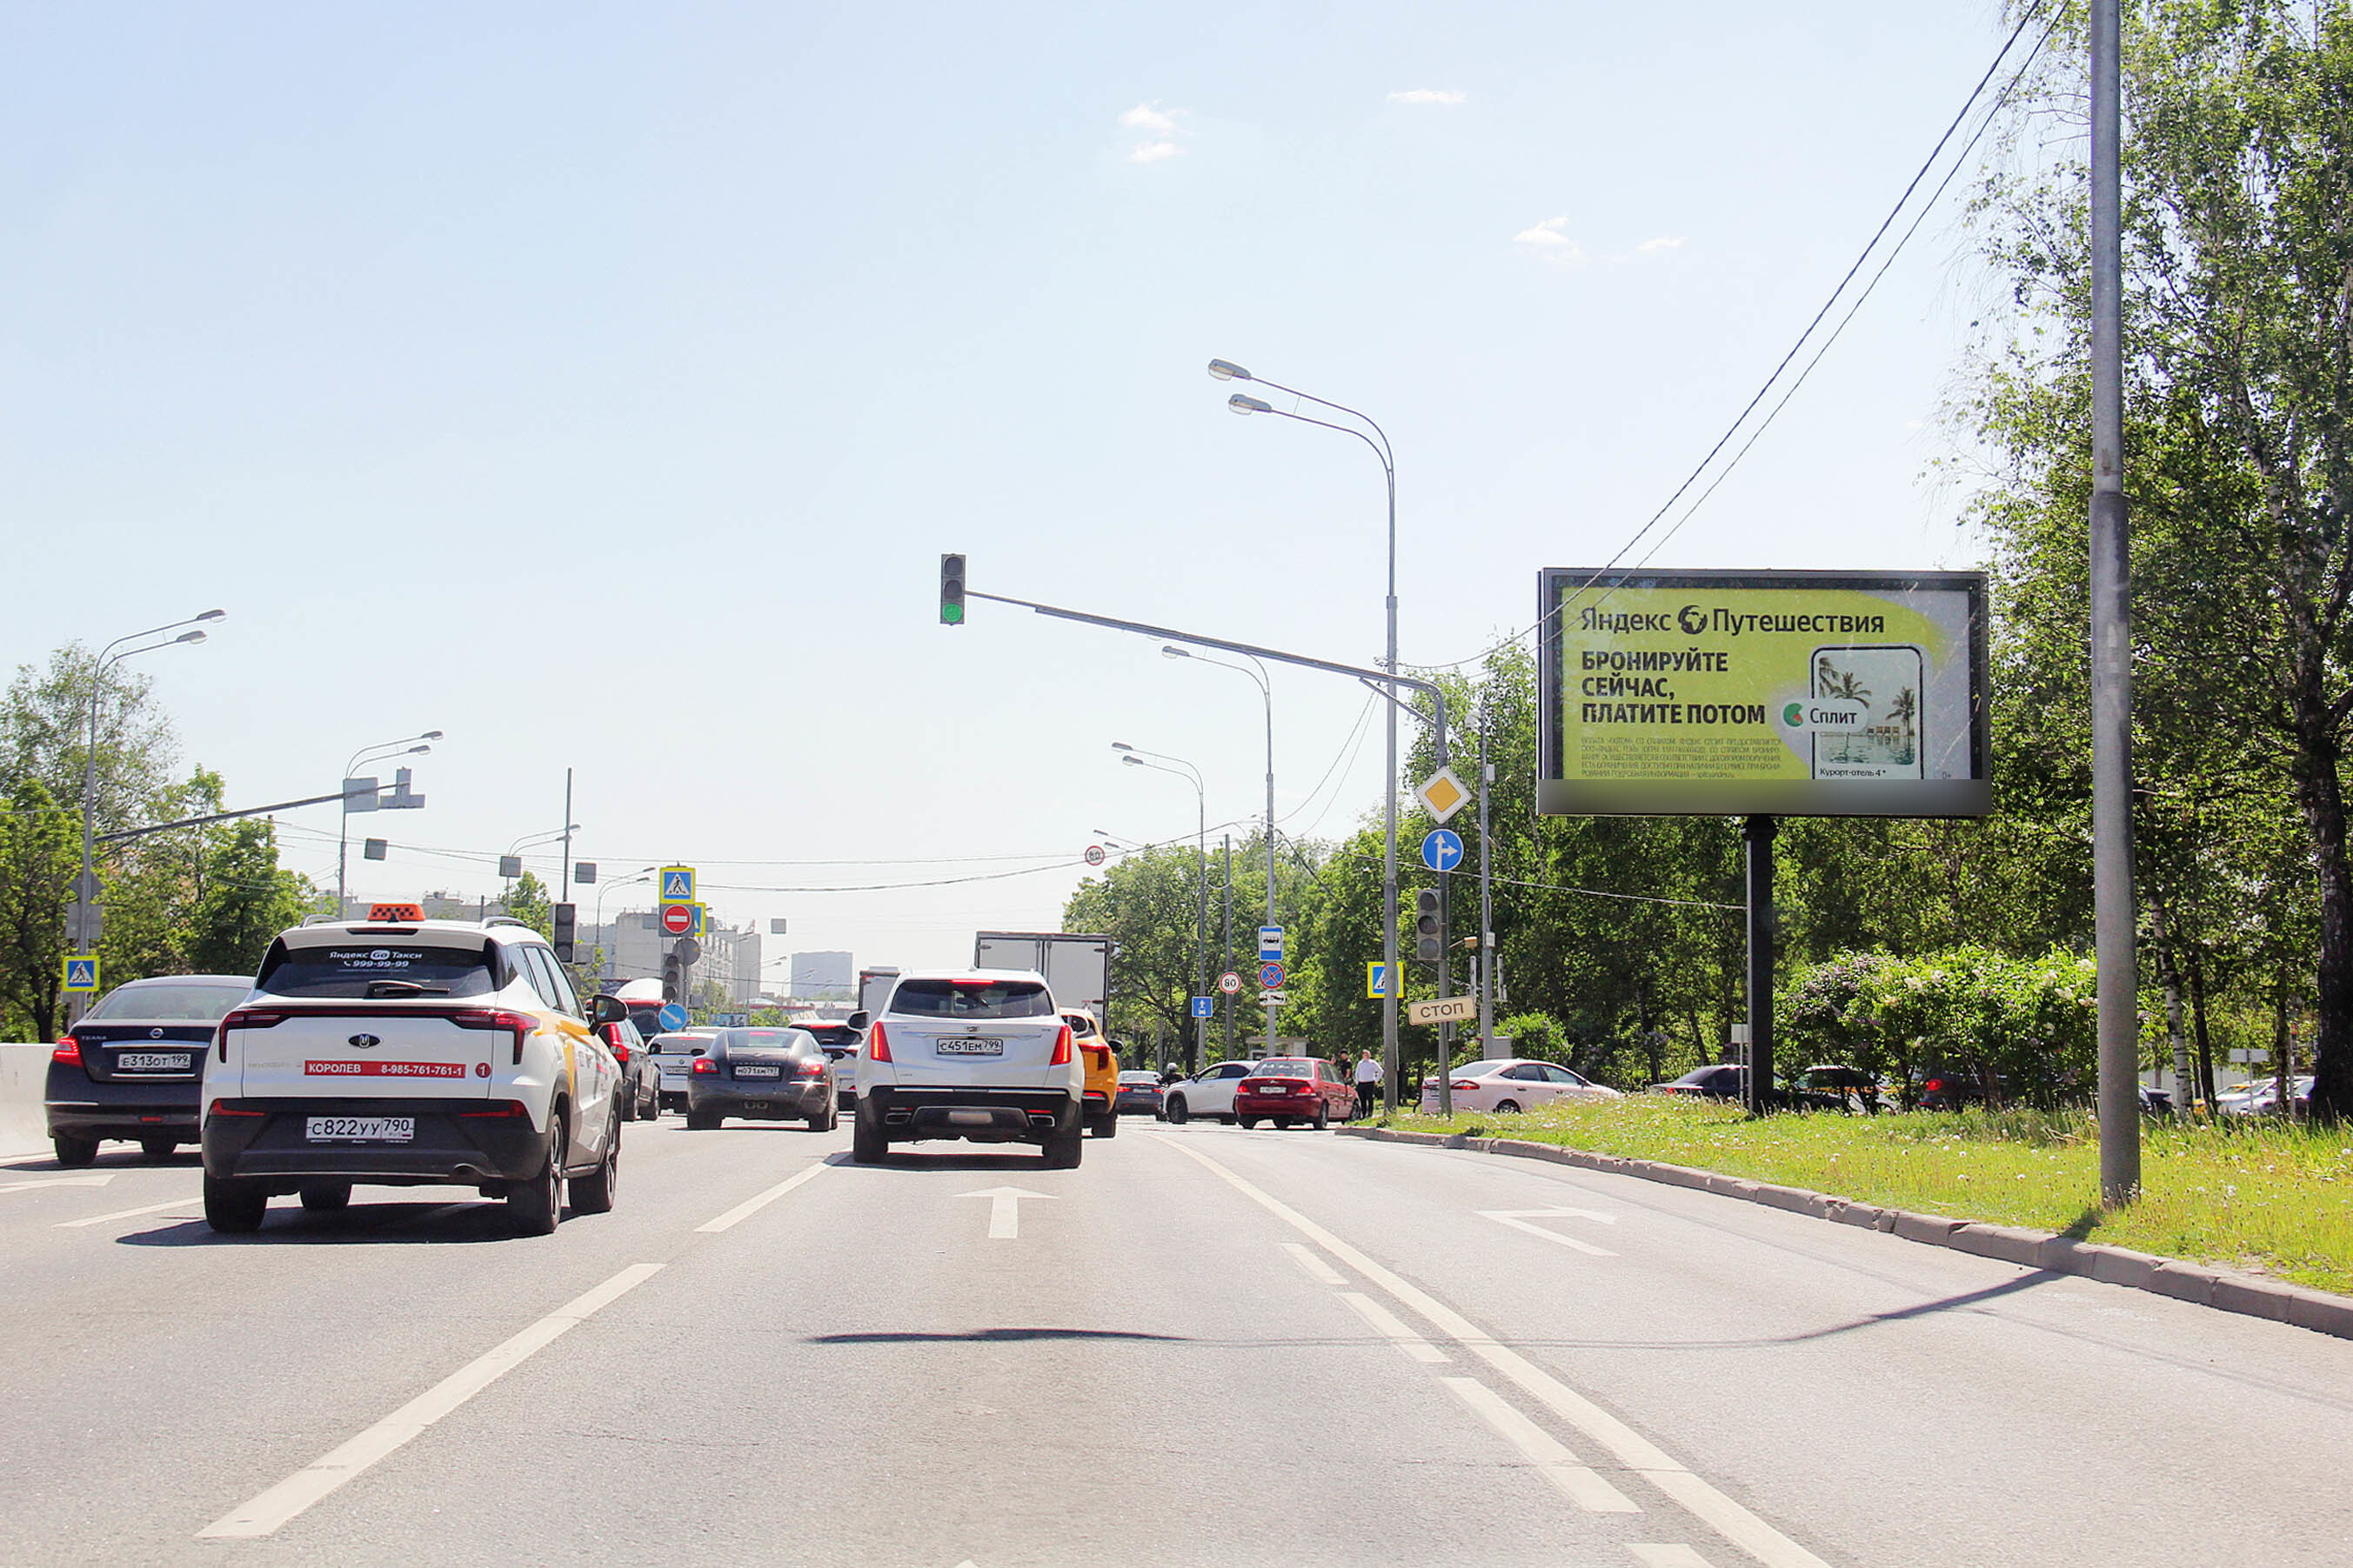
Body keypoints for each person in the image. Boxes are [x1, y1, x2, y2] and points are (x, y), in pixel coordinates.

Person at [1353, 1049, 1383, 1118]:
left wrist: (1376, 1080)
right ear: (1363, 1055)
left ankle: (1370, 1113)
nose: (1366, 1056)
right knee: (1362, 1099)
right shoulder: (1360, 1063)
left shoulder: (1372, 1063)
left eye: (1368, 1054)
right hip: (1361, 1083)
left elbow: (1380, 1071)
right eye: (1365, 1054)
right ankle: (1363, 1113)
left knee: (1370, 1098)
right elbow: (1357, 1073)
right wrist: (1357, 1082)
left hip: (1370, 1083)